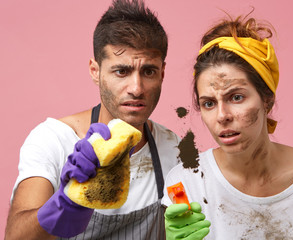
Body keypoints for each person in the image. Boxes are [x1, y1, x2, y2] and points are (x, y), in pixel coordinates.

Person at [162, 13, 293, 239]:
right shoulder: (187, 182)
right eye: (208, 103)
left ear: (267, 99)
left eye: (236, 97)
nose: (222, 116)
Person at [5, 0, 180, 239]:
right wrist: (63, 205)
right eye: (121, 71)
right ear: (95, 71)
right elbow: (15, 236)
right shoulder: (53, 140)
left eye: (148, 71)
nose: (137, 88)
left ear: (162, 73)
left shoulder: (172, 147)